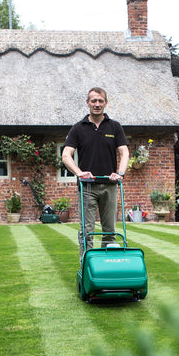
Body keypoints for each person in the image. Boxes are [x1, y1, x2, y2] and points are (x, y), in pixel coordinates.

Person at [62, 87, 129, 258]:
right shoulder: (78, 128)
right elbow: (66, 155)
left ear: (105, 103)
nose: (97, 104)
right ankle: (87, 268)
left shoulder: (115, 127)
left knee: (110, 231)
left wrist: (119, 173)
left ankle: (106, 266)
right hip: (87, 188)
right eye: (93, 101)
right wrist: (79, 173)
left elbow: (124, 152)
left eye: (100, 101)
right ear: (87, 103)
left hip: (110, 186)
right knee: (87, 231)